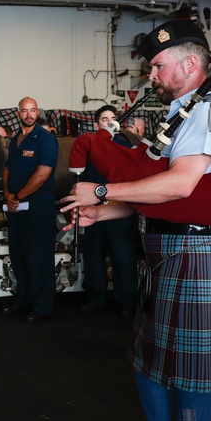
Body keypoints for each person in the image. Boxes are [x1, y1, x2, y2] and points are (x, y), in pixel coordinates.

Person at [63, 19, 211, 421]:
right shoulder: (181, 115)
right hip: (164, 250)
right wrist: (102, 211)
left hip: (196, 253)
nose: (152, 75)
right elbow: (156, 195)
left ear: (190, 64)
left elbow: (180, 186)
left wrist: (101, 189)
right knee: (149, 363)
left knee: (189, 373)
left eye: (159, 65)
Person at [1, 97, 58, 323]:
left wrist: (18, 196)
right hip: (16, 208)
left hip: (37, 208)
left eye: (32, 110)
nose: (29, 114)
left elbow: (43, 173)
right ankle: (22, 301)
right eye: (24, 111)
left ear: (37, 112)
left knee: (38, 258)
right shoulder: (16, 140)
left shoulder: (45, 140)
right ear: (18, 114)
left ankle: (41, 306)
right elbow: (7, 170)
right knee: (19, 257)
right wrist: (7, 194)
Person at [80, 105, 139, 318]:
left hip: (119, 210)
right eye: (105, 119)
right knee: (93, 256)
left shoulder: (125, 147)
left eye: (113, 118)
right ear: (97, 124)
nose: (110, 122)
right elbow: (81, 179)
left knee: (123, 257)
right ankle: (96, 299)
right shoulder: (87, 148)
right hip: (93, 211)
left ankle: (127, 301)